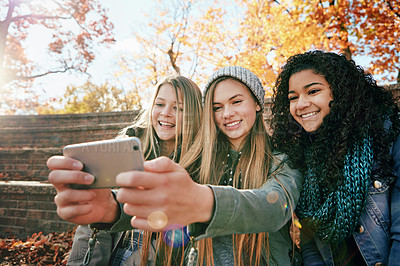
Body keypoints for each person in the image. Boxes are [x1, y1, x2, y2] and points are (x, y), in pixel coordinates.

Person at [111, 66, 303, 265]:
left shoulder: (282, 161)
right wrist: (110, 209)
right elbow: (162, 210)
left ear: (256, 103)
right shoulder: (197, 161)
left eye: (236, 102)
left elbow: (272, 209)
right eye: (217, 107)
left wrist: (206, 202)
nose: (227, 113)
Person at [46, 75, 203, 265]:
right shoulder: (125, 147)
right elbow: (93, 225)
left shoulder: (200, 164)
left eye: (178, 108)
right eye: (160, 104)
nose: (166, 113)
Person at [270, 50, 400, 265]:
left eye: (313, 91)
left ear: (340, 92)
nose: (301, 104)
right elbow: (310, 240)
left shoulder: (387, 136)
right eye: (293, 97)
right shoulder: (302, 157)